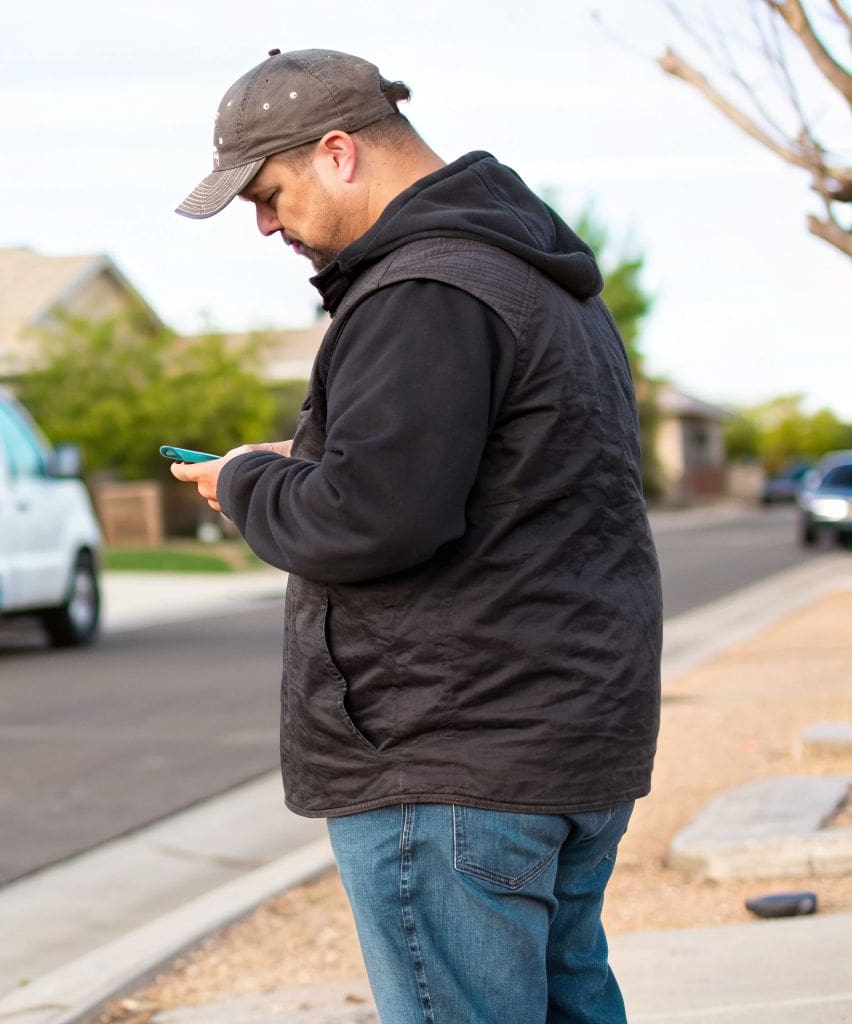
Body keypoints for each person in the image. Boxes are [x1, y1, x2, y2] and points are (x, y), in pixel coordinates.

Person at [167, 48, 662, 1024]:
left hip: (450, 758)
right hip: (558, 739)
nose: (263, 222)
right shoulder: (529, 275)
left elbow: (371, 518)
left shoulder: (420, 290)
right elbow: (497, 470)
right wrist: (313, 450)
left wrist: (249, 478)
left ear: (338, 152)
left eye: (266, 192)